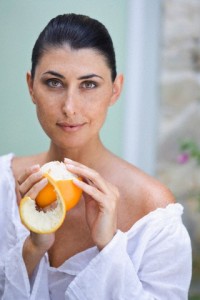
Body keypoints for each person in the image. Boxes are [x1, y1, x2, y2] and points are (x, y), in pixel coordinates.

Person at [0, 13, 192, 300]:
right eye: (54, 83)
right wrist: (31, 250)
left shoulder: (153, 212)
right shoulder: (4, 185)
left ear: (115, 90)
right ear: (31, 87)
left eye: (89, 84)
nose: (70, 107)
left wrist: (110, 246)